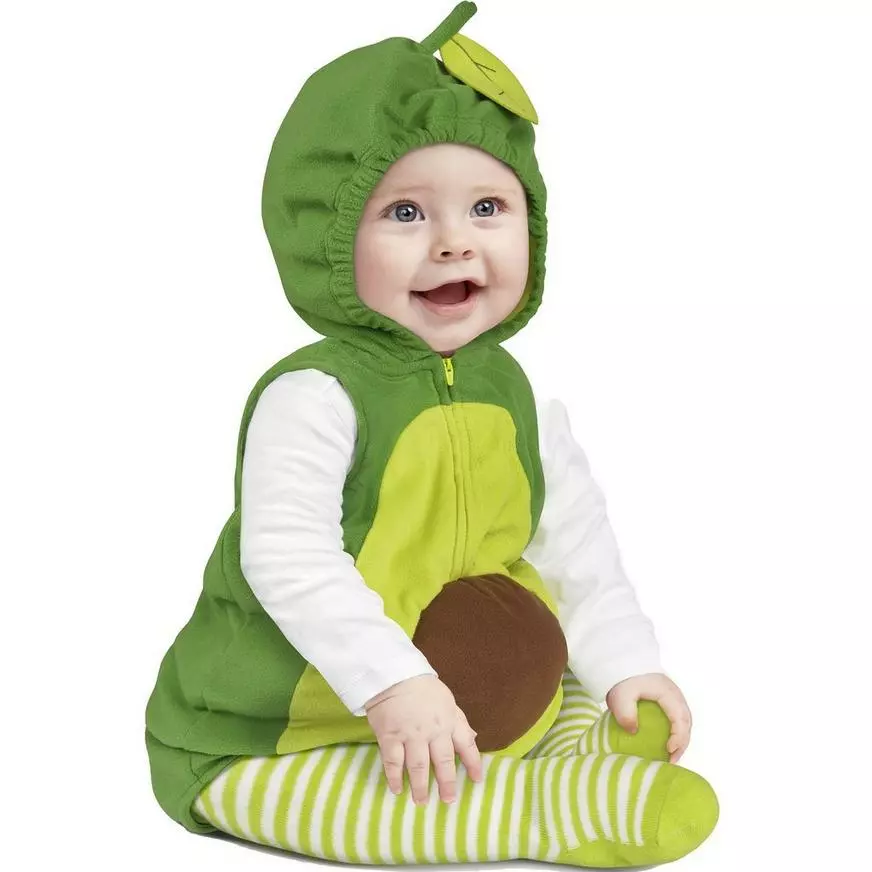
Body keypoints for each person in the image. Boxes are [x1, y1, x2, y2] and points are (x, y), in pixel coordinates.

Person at [144, 2, 719, 866]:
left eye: (487, 207)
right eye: (407, 214)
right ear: (329, 234)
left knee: (573, 690)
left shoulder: (516, 397)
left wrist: (625, 666)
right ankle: (540, 811)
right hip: (284, 730)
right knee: (404, 805)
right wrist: (394, 684)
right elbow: (288, 556)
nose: (454, 244)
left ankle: (562, 746)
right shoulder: (317, 397)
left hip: (457, 700)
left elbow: (578, 550)